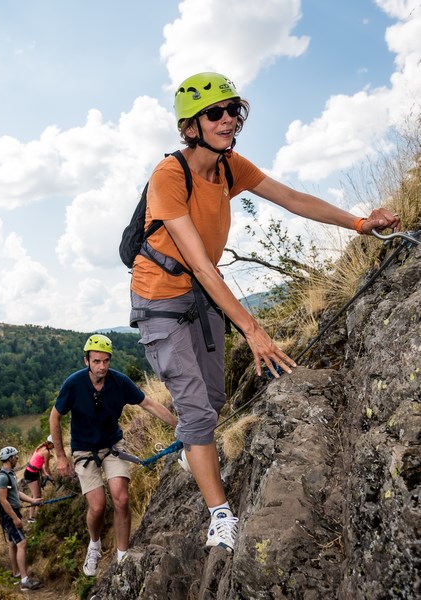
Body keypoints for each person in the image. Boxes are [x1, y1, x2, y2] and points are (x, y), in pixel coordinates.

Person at [129, 71, 401, 553]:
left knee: (210, 401)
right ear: (191, 127)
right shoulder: (169, 176)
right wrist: (252, 329)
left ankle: (192, 446)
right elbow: (199, 263)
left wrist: (360, 222)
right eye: (215, 113)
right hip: (161, 298)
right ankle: (220, 516)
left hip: (201, 293)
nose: (229, 119)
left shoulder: (232, 167)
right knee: (194, 407)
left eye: (234, 110)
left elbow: (293, 198)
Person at [49, 334, 178, 577]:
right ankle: (95, 543)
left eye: (106, 361)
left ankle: (122, 555)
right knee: (97, 506)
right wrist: (60, 456)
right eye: (97, 361)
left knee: (121, 498)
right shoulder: (74, 384)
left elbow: (148, 404)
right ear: (86, 360)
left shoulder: (119, 382)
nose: (102, 366)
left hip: (112, 445)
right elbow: (55, 417)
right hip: (83, 450)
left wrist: (178, 426)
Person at [0, 446, 42, 591]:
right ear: (9, 458)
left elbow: (17, 493)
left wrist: (32, 500)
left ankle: (16, 574)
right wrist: (15, 518)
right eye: (15, 456)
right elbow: (3, 501)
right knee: (22, 543)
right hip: (9, 516)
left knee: (12, 544)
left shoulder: (10, 474)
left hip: (10, 514)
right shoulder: (3, 477)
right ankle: (25, 581)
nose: (17, 458)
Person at [23, 435, 55, 523]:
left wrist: (45, 474)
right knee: (36, 496)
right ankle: (31, 518)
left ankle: (40, 513)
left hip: (32, 472)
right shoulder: (46, 452)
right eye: (54, 445)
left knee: (37, 495)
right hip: (30, 474)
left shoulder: (41, 447)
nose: (54, 447)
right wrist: (51, 477)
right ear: (51, 444)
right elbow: (47, 467)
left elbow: (38, 464)